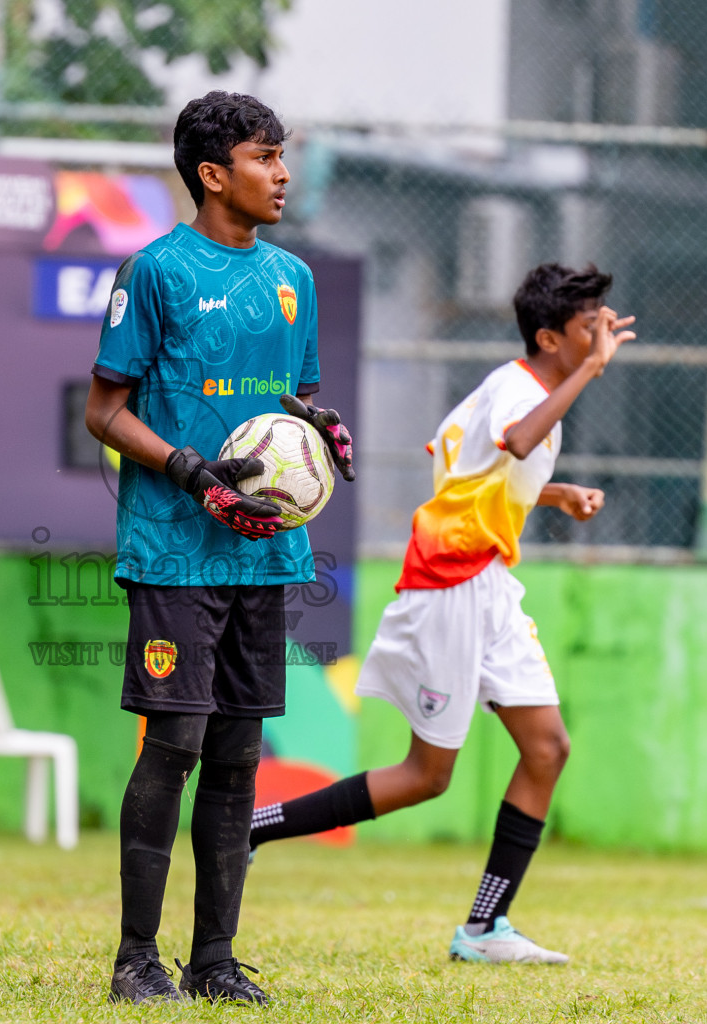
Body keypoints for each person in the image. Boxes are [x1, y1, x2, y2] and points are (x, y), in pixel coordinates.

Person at [248, 263, 635, 965]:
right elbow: (515, 442)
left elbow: (474, 475)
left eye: (605, 324)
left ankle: (485, 928)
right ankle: (253, 827)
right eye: (589, 328)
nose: (603, 337)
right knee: (428, 775)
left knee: (547, 749)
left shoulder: (524, 391)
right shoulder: (521, 390)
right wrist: (592, 375)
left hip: (489, 583)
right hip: (446, 585)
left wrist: (556, 494)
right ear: (549, 337)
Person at [84, 90, 353, 1005]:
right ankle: (134, 961)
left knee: (240, 752)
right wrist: (195, 474)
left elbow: (289, 406)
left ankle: (214, 961)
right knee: (176, 742)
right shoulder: (154, 271)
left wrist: (321, 433)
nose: (283, 173)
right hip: (174, 546)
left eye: (283, 156)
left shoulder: (293, 279)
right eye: (265, 156)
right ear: (213, 174)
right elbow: (103, 411)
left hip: (266, 550)